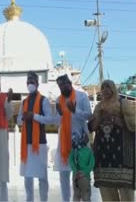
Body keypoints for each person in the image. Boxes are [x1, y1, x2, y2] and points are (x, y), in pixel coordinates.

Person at [90, 79, 135, 201]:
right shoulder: (99, 107)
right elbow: (92, 127)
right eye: (103, 87)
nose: (105, 90)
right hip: (103, 155)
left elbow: (133, 125)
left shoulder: (123, 104)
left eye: (108, 87)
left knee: (126, 193)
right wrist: (99, 118)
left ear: (114, 89)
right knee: (106, 192)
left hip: (122, 156)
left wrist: (115, 120)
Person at [17, 71, 54, 202]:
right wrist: (23, 118)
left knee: (42, 176)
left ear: (37, 84)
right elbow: (18, 121)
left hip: (40, 144)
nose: (30, 84)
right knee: (28, 177)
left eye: (32, 82)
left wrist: (34, 116)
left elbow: (50, 119)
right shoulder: (24, 102)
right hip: (26, 143)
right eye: (28, 82)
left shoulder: (44, 100)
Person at [54, 74, 92, 202]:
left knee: (82, 180)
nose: (64, 87)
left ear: (70, 83)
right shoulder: (58, 100)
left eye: (66, 84)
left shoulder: (82, 96)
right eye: (60, 85)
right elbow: (55, 123)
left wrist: (75, 110)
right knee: (64, 179)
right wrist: (59, 114)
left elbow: (89, 116)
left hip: (80, 144)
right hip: (64, 146)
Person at [69, 132, 94, 202]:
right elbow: (92, 164)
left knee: (76, 196)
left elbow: (70, 161)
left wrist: (76, 171)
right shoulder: (89, 151)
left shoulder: (73, 151)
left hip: (76, 176)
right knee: (86, 196)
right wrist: (85, 172)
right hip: (85, 177)